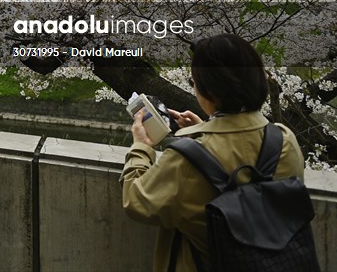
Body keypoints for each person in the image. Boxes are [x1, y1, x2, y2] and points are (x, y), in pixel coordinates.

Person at [121, 33, 305, 271]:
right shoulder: (284, 139)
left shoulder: (186, 159)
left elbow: (136, 201)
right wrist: (205, 128)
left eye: (193, 83)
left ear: (209, 92)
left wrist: (142, 147)